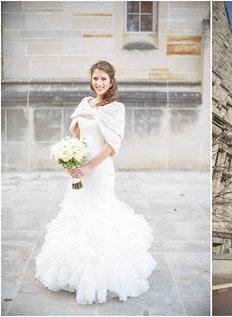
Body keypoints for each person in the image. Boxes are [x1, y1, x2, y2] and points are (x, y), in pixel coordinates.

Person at [34, 61, 157, 304]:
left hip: (100, 169)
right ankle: (73, 269)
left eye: (103, 79)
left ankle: (102, 274)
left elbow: (111, 144)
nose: (99, 83)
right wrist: (70, 160)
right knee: (77, 210)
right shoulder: (84, 104)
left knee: (99, 213)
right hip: (78, 165)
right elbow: (76, 137)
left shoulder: (116, 108)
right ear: (91, 80)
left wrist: (89, 166)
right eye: (95, 78)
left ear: (111, 81)